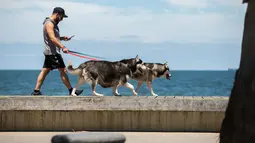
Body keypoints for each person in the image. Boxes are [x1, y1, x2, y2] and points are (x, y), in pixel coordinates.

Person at [31, 7, 83, 96]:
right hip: (52, 52)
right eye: (62, 17)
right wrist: (63, 47)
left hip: (51, 52)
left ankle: (36, 91)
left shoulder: (53, 24)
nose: (62, 19)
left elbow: (53, 37)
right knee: (63, 70)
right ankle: (71, 91)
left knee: (45, 71)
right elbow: (51, 38)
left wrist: (62, 38)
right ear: (57, 14)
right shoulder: (49, 24)